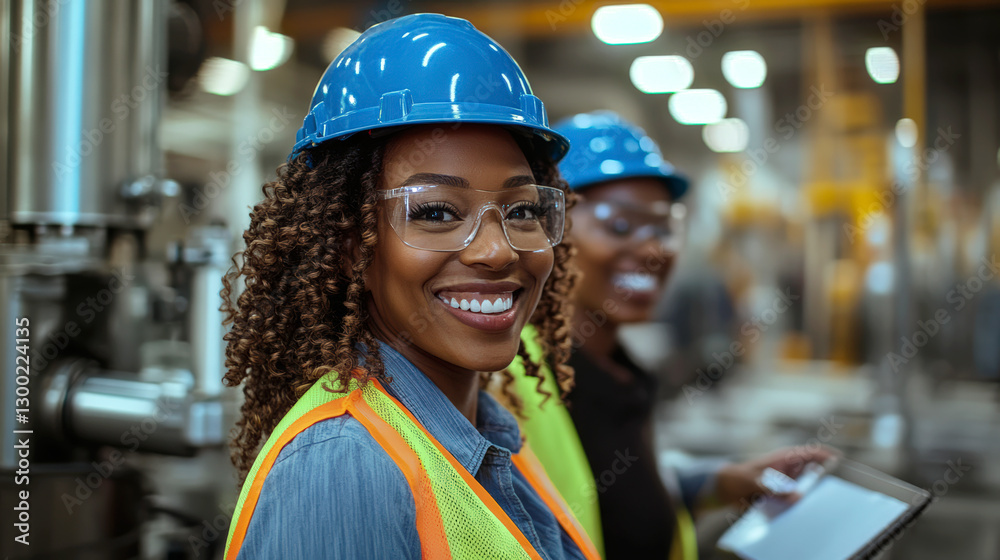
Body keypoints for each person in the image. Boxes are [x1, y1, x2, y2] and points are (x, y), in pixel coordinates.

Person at [220, 15, 600, 560]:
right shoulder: (343, 469)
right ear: (351, 243)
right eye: (437, 211)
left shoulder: (484, 432)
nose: (496, 250)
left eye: (522, 210)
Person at [505, 111, 836, 560]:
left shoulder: (620, 370)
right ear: (549, 230)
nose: (654, 249)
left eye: (662, 227)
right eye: (620, 225)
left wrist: (719, 483)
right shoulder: (510, 380)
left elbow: (616, 500)